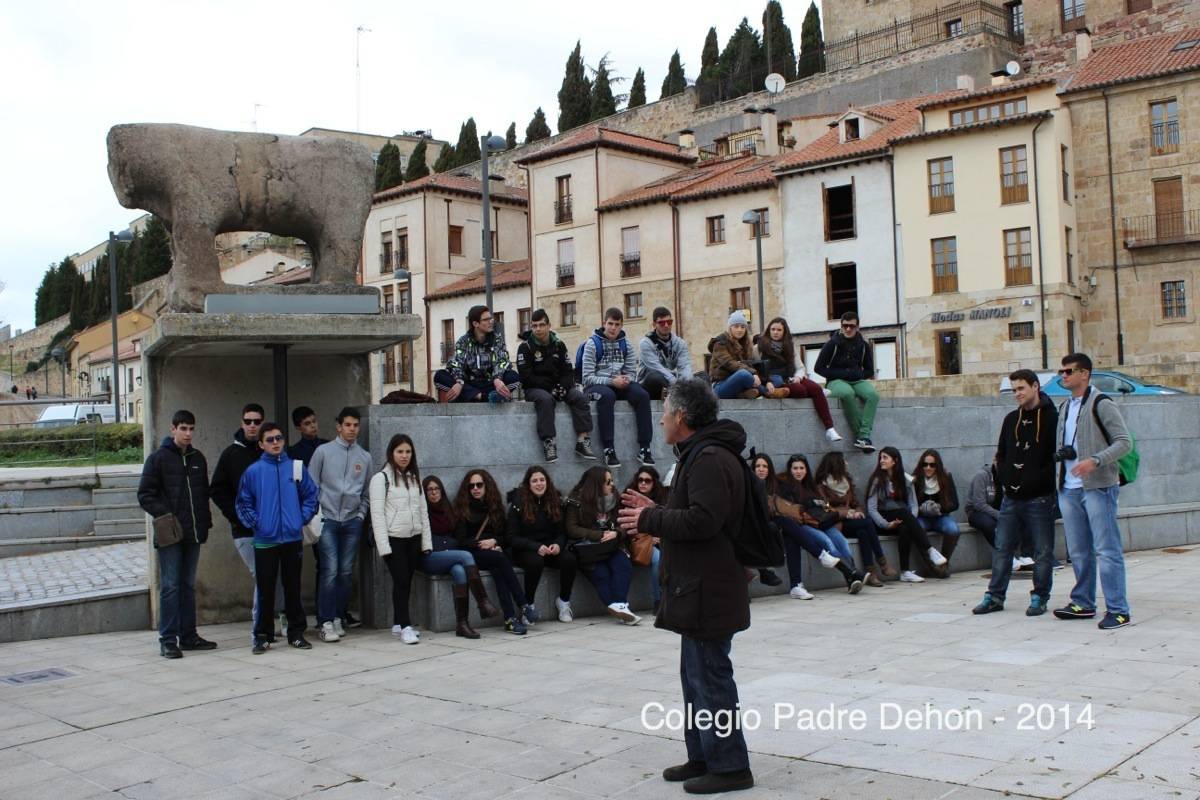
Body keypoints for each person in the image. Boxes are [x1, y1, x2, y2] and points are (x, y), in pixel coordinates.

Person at [617, 378, 754, 795]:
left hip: (708, 590)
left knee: (711, 680)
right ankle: (704, 755)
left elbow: (702, 521)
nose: (660, 421)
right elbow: (694, 513)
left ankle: (730, 766)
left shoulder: (709, 457)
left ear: (681, 417)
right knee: (695, 681)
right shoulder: (700, 454)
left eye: (664, 414)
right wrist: (658, 509)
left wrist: (650, 520)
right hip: (696, 589)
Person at [1053, 353, 1133, 629]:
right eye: (1061, 371)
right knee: (1078, 550)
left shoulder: (1101, 403)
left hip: (1098, 487)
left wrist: (1095, 460)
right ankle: (1084, 603)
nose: (1063, 376)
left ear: (1084, 373)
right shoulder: (1064, 407)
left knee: (1107, 549)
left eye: (1068, 371)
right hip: (1069, 488)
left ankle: (1119, 610)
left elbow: (1124, 443)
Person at [973, 369, 1060, 617]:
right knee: (1003, 548)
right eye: (1014, 389)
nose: (1017, 394)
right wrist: (1006, 479)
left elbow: (1053, 455)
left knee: (1042, 551)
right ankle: (995, 596)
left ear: (1035, 387)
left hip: (1039, 496)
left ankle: (1040, 597)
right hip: (1012, 497)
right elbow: (1001, 453)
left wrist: (1036, 479)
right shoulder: (1011, 419)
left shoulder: (1052, 418)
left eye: (1021, 388)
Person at [137, 409, 215, 659]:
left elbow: (203, 495)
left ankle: (189, 635)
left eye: (191, 429)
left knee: (187, 585)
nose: (188, 433)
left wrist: (204, 525)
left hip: (193, 532)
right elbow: (145, 495)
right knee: (170, 586)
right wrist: (166, 515)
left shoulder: (198, 458)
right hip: (170, 533)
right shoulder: (158, 458)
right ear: (173, 429)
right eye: (183, 428)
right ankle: (168, 639)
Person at [236, 422, 318, 653]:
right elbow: (243, 502)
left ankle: (296, 633)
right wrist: (257, 523)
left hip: (292, 538)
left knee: (293, 587)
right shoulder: (253, 471)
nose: (275, 443)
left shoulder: (296, 468)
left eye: (279, 438)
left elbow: (311, 496)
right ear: (261, 444)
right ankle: (262, 635)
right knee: (265, 589)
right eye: (270, 439)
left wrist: (299, 518)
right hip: (265, 539)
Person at [210, 403, 283, 642]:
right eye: (248, 421)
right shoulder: (231, 454)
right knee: (262, 575)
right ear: (242, 423)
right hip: (245, 531)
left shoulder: (272, 452)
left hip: (272, 528)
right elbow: (217, 489)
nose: (252, 425)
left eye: (257, 421)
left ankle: (272, 624)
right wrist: (238, 516)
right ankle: (260, 630)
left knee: (272, 576)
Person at [309, 407, 372, 642]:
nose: (352, 429)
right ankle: (325, 621)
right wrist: (316, 514)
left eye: (356, 425)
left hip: (352, 520)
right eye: (348, 425)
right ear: (339, 426)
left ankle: (337, 616)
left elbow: (366, 492)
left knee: (345, 572)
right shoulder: (323, 452)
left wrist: (360, 515)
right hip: (327, 519)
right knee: (330, 570)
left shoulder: (364, 457)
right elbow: (311, 485)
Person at [369, 434, 431, 644]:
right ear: (391, 453)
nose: (404, 456)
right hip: (393, 539)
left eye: (407, 452)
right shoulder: (381, 479)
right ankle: (405, 626)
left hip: (413, 537)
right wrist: (384, 547)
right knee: (402, 581)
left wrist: (426, 542)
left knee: (405, 581)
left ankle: (398, 623)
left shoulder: (415, 478)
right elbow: (377, 515)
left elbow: (423, 511)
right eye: (400, 451)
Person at [774, 454, 867, 594]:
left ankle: (852, 577)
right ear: (790, 470)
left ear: (806, 470)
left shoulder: (811, 486)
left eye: (801, 468)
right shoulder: (785, 486)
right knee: (827, 542)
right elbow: (791, 510)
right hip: (804, 524)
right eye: (795, 468)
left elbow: (823, 506)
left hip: (822, 522)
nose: (798, 471)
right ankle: (853, 573)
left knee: (842, 543)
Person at [453, 469, 530, 634]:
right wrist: (481, 544)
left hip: (493, 554)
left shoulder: (494, 507)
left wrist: (494, 542)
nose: (475, 488)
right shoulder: (463, 509)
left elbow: (504, 536)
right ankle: (523, 604)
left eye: (479, 484)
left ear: (486, 486)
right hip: (472, 554)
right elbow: (460, 541)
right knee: (500, 560)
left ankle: (510, 619)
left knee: (498, 569)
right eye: (471, 486)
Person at [516, 308, 595, 463]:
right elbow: (526, 376)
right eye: (534, 326)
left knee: (579, 397)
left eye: (541, 325)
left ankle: (582, 440)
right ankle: (548, 442)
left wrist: (563, 387)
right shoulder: (525, 347)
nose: (538, 329)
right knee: (546, 400)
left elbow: (567, 371)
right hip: (535, 389)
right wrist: (550, 389)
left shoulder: (559, 345)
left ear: (549, 325)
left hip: (559, 387)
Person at [422, 476, 497, 639]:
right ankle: (483, 602)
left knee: (460, 572)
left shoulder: (449, 510)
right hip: (430, 557)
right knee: (466, 556)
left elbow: (458, 536)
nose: (434, 493)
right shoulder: (422, 511)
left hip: (450, 557)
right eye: (430, 490)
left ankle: (462, 624)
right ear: (425, 493)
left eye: (437, 489)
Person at [565, 466, 641, 625]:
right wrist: (599, 535)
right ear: (596, 484)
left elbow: (625, 523)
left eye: (611, 480)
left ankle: (620, 605)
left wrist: (616, 533)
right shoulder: (575, 501)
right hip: (589, 549)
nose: (612, 484)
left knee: (623, 565)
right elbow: (571, 528)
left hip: (611, 545)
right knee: (601, 574)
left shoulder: (616, 498)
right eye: (608, 482)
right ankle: (622, 609)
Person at [581, 307, 654, 468]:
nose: (613, 328)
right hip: (595, 386)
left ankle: (645, 447)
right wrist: (611, 381)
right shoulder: (592, 344)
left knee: (642, 395)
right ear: (604, 323)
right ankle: (608, 449)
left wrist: (625, 380)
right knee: (608, 396)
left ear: (622, 325)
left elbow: (632, 373)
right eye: (610, 324)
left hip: (619, 384)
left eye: (617, 324)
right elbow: (586, 377)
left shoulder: (626, 344)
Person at [505, 466, 577, 623]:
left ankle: (564, 601)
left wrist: (558, 545)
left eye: (542, 480)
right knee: (535, 562)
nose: (539, 484)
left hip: (549, 548)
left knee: (569, 559)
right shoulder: (518, 503)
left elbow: (562, 533)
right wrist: (534, 547)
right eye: (535, 481)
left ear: (547, 482)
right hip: (524, 549)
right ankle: (528, 605)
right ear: (528, 484)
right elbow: (511, 537)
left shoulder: (555, 501)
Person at [865, 447, 948, 582]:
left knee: (905, 527)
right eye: (880, 458)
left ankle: (905, 572)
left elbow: (914, 505)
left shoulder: (905, 479)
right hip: (881, 521)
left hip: (901, 518)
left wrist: (910, 519)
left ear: (895, 461)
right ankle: (929, 550)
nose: (881, 461)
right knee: (903, 512)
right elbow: (872, 509)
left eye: (885, 457)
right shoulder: (877, 480)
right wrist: (886, 525)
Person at [757, 317, 842, 442]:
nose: (775, 332)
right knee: (801, 391)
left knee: (815, 388)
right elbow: (757, 369)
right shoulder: (759, 347)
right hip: (775, 381)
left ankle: (830, 428)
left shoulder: (790, 346)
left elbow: (800, 367)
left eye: (779, 330)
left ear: (784, 332)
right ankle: (818, 394)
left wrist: (797, 377)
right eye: (773, 329)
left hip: (792, 377)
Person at [815, 451, 891, 586]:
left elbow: (855, 503)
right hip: (836, 523)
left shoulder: (846, 481)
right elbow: (826, 509)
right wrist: (848, 513)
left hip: (851, 522)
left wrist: (858, 512)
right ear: (836, 464)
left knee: (863, 532)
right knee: (868, 523)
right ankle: (882, 561)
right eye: (843, 461)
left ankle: (871, 572)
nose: (846, 464)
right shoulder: (821, 486)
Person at [814, 311, 879, 453]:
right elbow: (818, 368)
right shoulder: (832, 344)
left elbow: (869, 370)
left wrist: (858, 374)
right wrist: (841, 374)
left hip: (856, 381)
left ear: (858, 327)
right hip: (836, 381)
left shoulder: (863, 345)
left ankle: (864, 435)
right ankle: (861, 436)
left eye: (852, 326)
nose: (848, 329)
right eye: (845, 326)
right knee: (847, 393)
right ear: (841, 326)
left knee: (873, 395)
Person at [751, 454, 812, 600]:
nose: (761, 469)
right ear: (752, 469)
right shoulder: (747, 486)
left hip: (776, 527)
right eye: (758, 466)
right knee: (785, 524)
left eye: (765, 466)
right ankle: (823, 555)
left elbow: (784, 509)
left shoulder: (776, 487)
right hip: (754, 529)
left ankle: (796, 586)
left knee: (791, 537)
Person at [433, 305, 520, 404]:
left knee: (513, 377)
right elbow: (457, 364)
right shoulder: (463, 341)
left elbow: (502, 361)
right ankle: (482, 397)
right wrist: (459, 382)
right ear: (475, 323)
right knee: (439, 376)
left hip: (490, 383)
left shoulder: (497, 339)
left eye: (490, 318)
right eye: (486, 319)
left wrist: (497, 378)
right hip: (468, 384)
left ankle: (473, 396)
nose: (491, 321)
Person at [288, 404, 329, 613]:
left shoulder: (327, 446)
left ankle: (333, 609)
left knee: (329, 564)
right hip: (309, 514)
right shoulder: (294, 453)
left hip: (330, 509)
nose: (312, 427)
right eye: (307, 424)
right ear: (298, 427)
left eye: (313, 422)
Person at [965, 458, 1034, 572]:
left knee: (1024, 517)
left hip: (997, 512)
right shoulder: (982, 476)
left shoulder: (1007, 478)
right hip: (976, 513)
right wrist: (1000, 515)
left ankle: (1026, 555)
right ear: (995, 462)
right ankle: (1008, 557)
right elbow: (979, 504)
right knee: (990, 524)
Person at [708, 310, 783, 400]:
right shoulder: (720, 343)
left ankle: (744, 393)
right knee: (744, 375)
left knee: (777, 378)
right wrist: (753, 373)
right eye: (736, 326)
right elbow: (729, 363)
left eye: (743, 327)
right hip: (721, 386)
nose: (740, 330)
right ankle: (769, 393)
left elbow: (750, 365)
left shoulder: (745, 344)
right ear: (730, 328)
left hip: (741, 381)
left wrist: (767, 381)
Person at [622, 466, 669, 611]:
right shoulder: (629, 497)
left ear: (654, 483)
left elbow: (668, 521)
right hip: (636, 542)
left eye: (647, 481)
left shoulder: (662, 499)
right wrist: (650, 537)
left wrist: (659, 537)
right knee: (657, 560)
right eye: (640, 480)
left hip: (660, 541)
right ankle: (658, 601)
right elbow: (624, 525)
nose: (643, 483)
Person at [913, 449, 961, 573]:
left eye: (932, 465)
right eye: (925, 464)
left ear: (937, 466)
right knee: (916, 529)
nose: (928, 468)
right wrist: (921, 508)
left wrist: (939, 508)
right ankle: (930, 564)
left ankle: (943, 562)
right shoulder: (916, 479)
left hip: (941, 517)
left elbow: (955, 504)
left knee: (953, 529)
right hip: (922, 517)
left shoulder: (946, 477)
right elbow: (910, 503)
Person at [637, 306, 693, 400]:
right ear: (654, 324)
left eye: (669, 322)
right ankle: (674, 396)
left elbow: (685, 367)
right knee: (656, 377)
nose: (666, 325)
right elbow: (657, 368)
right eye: (661, 323)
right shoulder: (645, 344)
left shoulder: (680, 343)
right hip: (648, 384)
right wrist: (676, 384)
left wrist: (686, 385)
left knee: (701, 377)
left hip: (671, 382)